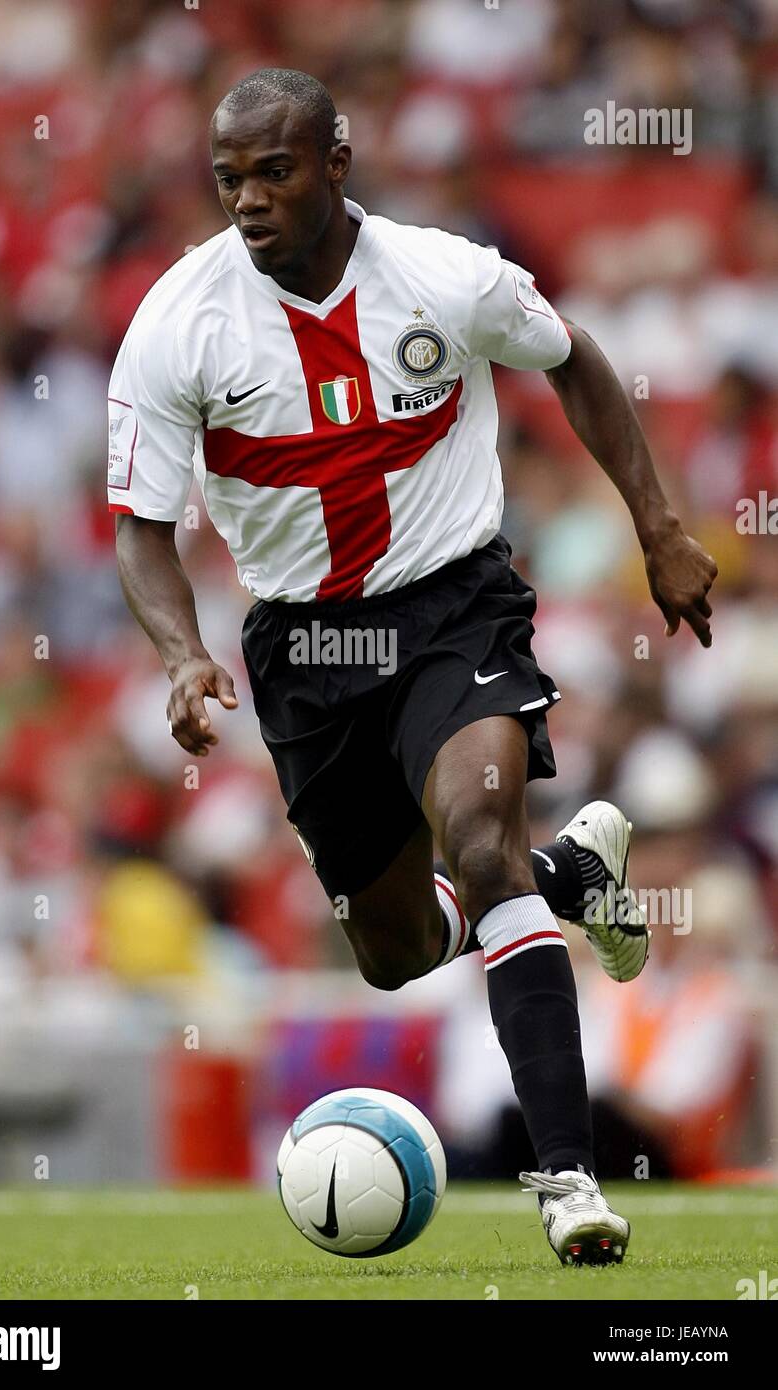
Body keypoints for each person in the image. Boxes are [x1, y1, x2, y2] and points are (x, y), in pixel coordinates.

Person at [109, 68, 717, 1264]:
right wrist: (180, 655)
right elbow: (141, 524)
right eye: (228, 178)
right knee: (390, 952)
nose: (247, 199)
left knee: (479, 850)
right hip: (302, 650)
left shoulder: (446, 277)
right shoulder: (178, 320)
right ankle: (569, 877)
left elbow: (575, 357)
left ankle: (570, 1177)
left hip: (452, 608)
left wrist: (656, 526)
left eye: (273, 171)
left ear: (335, 163)